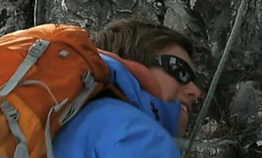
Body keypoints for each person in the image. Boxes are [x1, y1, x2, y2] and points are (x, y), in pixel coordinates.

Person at [53, 18, 203, 157]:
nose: (196, 91)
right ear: (137, 66)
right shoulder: (137, 135)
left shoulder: (71, 128)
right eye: (179, 70)